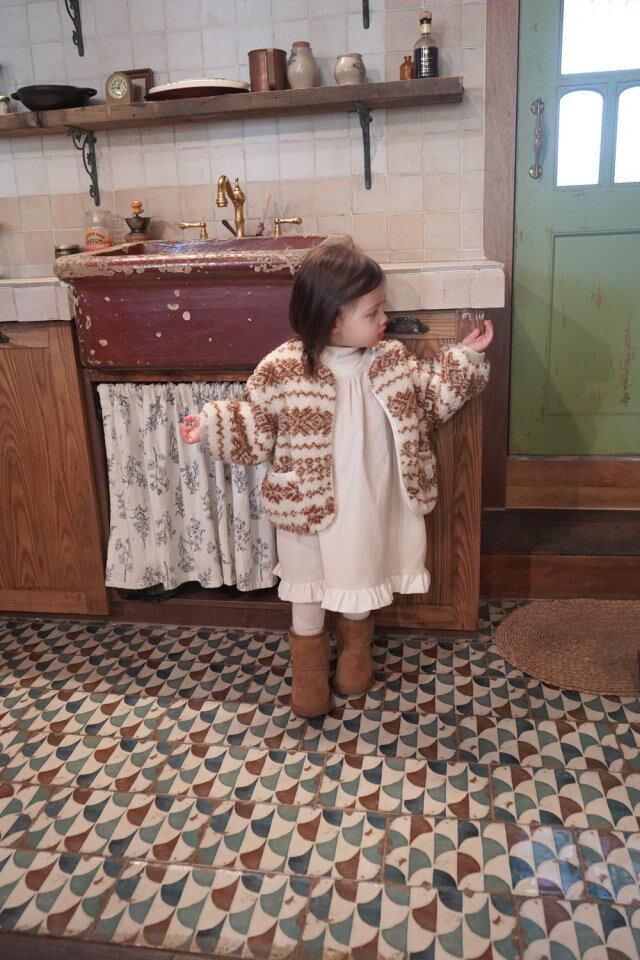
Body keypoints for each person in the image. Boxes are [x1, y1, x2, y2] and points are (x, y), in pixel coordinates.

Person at [180, 239, 493, 718]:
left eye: (382, 308)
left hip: (369, 500)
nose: (385, 318)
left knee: (361, 569)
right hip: (307, 506)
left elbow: (430, 402)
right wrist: (211, 426)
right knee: (307, 583)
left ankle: (355, 654)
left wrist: (465, 358)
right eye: (373, 312)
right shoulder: (283, 370)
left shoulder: (391, 361)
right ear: (330, 319)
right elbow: (255, 425)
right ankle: (307, 673)